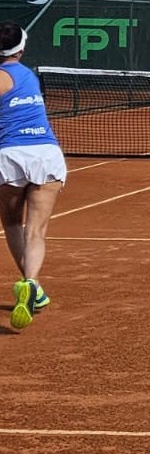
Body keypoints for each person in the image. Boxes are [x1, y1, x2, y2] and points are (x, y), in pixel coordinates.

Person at [0, 22, 67, 330]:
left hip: (10, 156)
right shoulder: (31, 76)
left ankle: (34, 289)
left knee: (12, 222)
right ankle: (31, 284)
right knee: (36, 231)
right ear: (22, 49)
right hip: (46, 154)